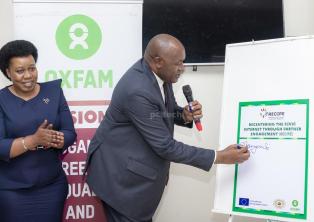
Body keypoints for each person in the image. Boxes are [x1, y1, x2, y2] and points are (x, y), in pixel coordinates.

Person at [85, 34, 250, 222]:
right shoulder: (137, 89)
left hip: (136, 173)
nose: (182, 68)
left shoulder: (159, 74)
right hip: (120, 180)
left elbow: (160, 112)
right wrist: (218, 156)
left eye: (183, 62)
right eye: (178, 63)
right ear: (158, 62)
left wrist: (183, 115)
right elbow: (165, 146)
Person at [0, 40, 76, 222]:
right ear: (8, 72)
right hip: (12, 190)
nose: (28, 76)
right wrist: (33, 141)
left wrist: (57, 139)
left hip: (51, 186)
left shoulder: (54, 92)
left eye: (32, 68)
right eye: (20, 71)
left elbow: (70, 132)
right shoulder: (1, 100)